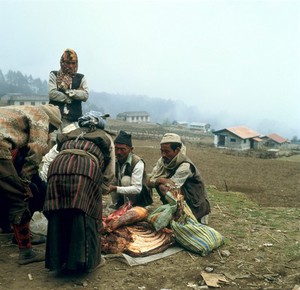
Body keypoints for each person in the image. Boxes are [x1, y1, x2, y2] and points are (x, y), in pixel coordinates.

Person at [43, 111, 115, 273]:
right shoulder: (105, 138)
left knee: (58, 212)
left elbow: (52, 155)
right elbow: (109, 172)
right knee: (83, 214)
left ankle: (58, 260)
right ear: (100, 125)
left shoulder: (70, 133)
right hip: (85, 170)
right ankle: (81, 262)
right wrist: (100, 191)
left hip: (57, 168)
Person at [0, 104, 62, 265]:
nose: (50, 133)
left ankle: (7, 226)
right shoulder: (40, 116)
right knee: (19, 196)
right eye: (51, 129)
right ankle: (26, 252)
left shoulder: (19, 112)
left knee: (6, 188)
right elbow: (36, 151)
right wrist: (24, 183)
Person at [148, 133, 210, 223]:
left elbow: (171, 186)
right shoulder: (163, 161)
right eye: (162, 151)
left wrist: (160, 180)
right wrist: (160, 180)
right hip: (182, 199)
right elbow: (150, 180)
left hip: (195, 204)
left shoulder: (185, 166)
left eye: (166, 151)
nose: (163, 155)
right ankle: (174, 214)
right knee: (161, 184)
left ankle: (182, 216)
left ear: (177, 150)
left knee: (163, 187)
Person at [107, 130, 153, 209]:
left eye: (122, 149)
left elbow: (137, 189)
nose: (118, 152)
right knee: (110, 178)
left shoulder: (137, 163)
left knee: (126, 180)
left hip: (140, 197)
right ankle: (117, 204)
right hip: (123, 194)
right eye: (116, 148)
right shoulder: (114, 159)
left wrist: (115, 188)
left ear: (131, 149)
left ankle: (129, 206)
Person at [48, 48, 89, 131]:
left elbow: (85, 95)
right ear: (62, 62)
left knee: (71, 142)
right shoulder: (54, 75)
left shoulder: (81, 78)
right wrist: (70, 98)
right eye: (68, 63)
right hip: (55, 120)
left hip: (73, 121)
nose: (70, 66)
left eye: (73, 63)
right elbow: (52, 94)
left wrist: (67, 91)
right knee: (53, 142)